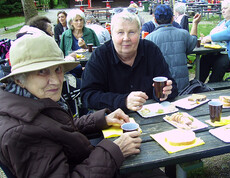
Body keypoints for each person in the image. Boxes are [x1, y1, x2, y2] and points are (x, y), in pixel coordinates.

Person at [0, 28, 142, 178]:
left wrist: (101, 120)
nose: (56, 81)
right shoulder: (22, 133)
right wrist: (114, 150)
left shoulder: (28, 103)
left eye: (58, 69)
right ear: (18, 80)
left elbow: (59, 129)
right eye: (42, 71)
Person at [80, 10, 178, 112]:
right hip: (114, 120)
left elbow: (173, 86)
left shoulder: (151, 50)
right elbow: (87, 96)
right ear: (111, 34)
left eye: (131, 32)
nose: (126, 38)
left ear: (139, 33)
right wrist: (124, 101)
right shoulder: (100, 55)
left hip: (151, 118)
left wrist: (164, 92)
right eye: (120, 32)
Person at [145, 5, 201, 92]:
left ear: (155, 20)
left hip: (162, 88)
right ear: (172, 19)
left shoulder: (149, 39)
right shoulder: (183, 34)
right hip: (183, 87)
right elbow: (192, 43)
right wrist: (195, 23)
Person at [200, 0, 230, 83]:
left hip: (227, 53)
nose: (223, 10)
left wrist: (210, 38)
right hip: (217, 51)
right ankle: (198, 83)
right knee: (204, 59)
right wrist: (205, 39)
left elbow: (228, 34)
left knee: (220, 64)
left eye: (226, 8)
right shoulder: (222, 22)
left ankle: (213, 86)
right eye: (222, 8)